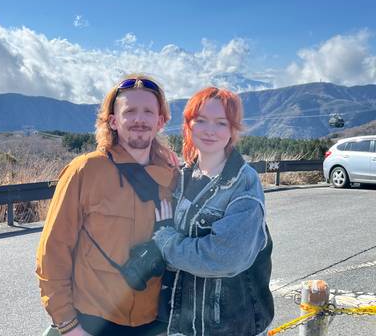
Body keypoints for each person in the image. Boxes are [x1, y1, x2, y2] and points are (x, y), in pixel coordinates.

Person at [36, 74, 177, 336]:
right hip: (92, 322)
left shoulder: (172, 177)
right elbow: (52, 252)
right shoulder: (85, 170)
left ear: (160, 121)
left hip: (155, 323)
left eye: (148, 111)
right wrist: (67, 325)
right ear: (113, 120)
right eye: (129, 111)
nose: (139, 119)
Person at [153, 87, 274, 336]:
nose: (210, 130)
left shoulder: (243, 184)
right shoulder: (181, 177)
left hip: (230, 327)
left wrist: (166, 244)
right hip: (180, 323)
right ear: (188, 125)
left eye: (221, 123)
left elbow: (224, 257)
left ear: (232, 130)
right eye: (201, 121)